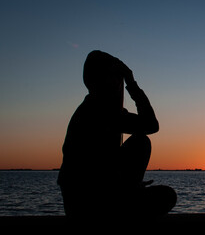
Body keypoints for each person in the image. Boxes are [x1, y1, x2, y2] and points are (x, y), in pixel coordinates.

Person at [58, 50, 177, 221]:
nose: (117, 82)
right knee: (144, 146)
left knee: (142, 146)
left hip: (96, 195)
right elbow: (151, 125)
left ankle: (126, 197)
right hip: (89, 202)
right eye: (115, 77)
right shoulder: (99, 111)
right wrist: (131, 82)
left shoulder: (95, 108)